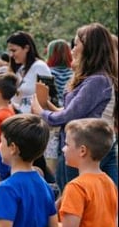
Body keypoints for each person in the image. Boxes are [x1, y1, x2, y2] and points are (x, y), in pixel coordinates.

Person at [33, 23, 118, 191]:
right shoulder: (94, 78)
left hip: (84, 149)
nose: (73, 48)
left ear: (88, 47)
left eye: (77, 43)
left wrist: (41, 112)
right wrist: (46, 103)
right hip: (84, 147)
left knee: (75, 198)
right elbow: (73, 111)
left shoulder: (97, 80)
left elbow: (70, 115)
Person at [43, 39, 73, 175]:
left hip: (50, 116)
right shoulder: (74, 74)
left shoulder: (47, 73)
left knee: (50, 158)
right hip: (67, 116)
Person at [6, 31, 52, 114]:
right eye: (10, 51)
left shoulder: (40, 67)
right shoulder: (20, 70)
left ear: (26, 48)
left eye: (14, 50)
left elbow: (49, 97)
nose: (11, 55)